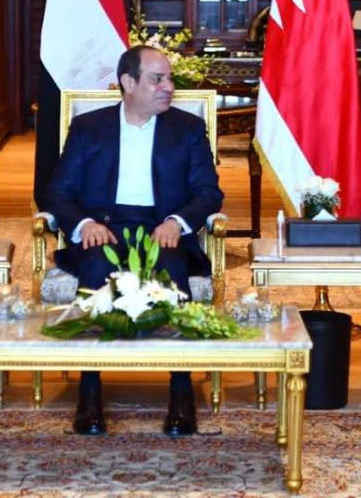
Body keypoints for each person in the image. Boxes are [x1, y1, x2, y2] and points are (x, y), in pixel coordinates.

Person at [42, 45, 224, 437]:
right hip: (104, 227)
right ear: (128, 82)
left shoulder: (187, 129)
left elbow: (208, 192)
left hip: (163, 229)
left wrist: (177, 223)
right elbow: (57, 192)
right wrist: (85, 224)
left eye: (169, 79)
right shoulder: (89, 128)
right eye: (157, 79)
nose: (168, 87)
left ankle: (181, 390)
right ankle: (89, 390)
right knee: (96, 268)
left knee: (172, 270)